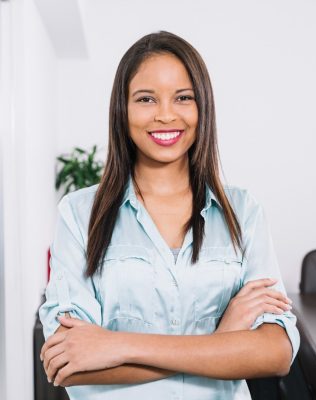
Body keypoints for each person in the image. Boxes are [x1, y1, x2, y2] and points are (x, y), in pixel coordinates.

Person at [39, 31, 300, 400]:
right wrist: (221, 343)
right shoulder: (80, 214)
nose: (165, 114)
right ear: (123, 109)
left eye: (183, 98)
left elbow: (277, 352)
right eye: (146, 99)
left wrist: (116, 345)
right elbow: (69, 363)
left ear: (202, 107)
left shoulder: (243, 212)